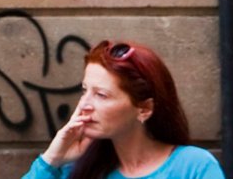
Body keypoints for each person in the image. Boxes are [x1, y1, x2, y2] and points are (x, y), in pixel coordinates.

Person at [26, 40, 221, 179]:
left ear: (144, 109)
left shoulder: (193, 167)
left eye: (101, 95)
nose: (84, 105)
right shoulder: (76, 170)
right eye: (84, 91)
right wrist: (52, 159)